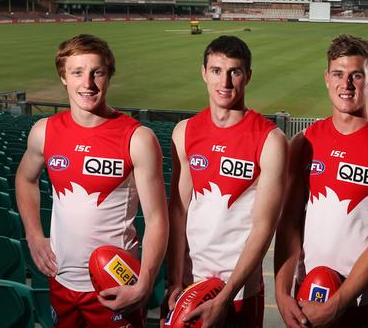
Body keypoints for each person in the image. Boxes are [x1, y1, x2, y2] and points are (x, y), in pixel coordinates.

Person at [15, 34, 169, 328]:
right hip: (61, 280)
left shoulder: (137, 138)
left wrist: (145, 281)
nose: (87, 84)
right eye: (77, 73)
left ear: (109, 75)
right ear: (63, 77)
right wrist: (34, 237)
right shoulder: (44, 131)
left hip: (116, 285)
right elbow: (25, 180)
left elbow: (157, 219)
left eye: (96, 72)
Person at [274, 34, 368, 328]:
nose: (346, 85)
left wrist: (337, 305)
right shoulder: (303, 142)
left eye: (356, 76)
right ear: (327, 78)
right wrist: (281, 293)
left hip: (362, 302)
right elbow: (289, 223)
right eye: (338, 74)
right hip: (307, 296)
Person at [165, 35, 287, 327]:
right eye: (217, 71)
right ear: (204, 73)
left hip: (239, 290)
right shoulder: (184, 132)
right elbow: (178, 211)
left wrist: (225, 296)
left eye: (235, 71)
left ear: (248, 76)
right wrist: (174, 279)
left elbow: (264, 226)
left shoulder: (270, 139)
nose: (226, 82)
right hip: (190, 284)